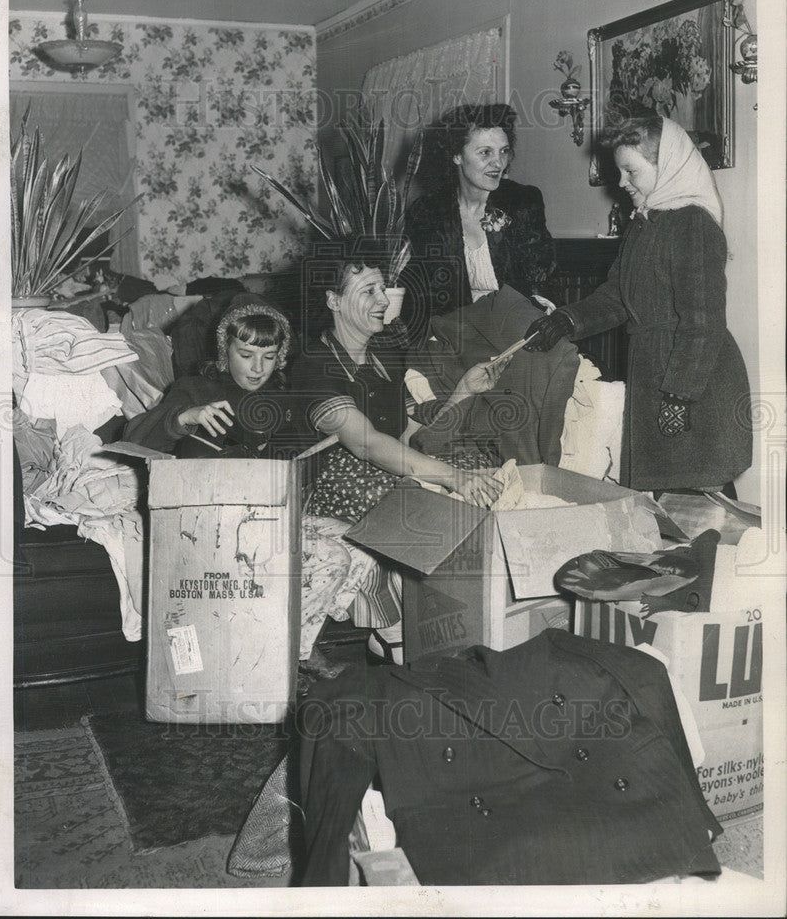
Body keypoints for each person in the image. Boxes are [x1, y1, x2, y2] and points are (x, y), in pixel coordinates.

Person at [289, 245, 508, 663]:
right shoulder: (312, 367)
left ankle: (457, 616)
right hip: (323, 486)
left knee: (474, 464)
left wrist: (464, 390)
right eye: (368, 291)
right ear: (334, 301)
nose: (384, 301)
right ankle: (391, 627)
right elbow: (367, 443)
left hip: (379, 466)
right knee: (428, 489)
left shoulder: (382, 360)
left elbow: (412, 438)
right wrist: (448, 477)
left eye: (383, 290)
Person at [522, 113, 752, 494]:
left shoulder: (692, 224)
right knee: (666, 495)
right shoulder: (645, 223)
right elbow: (617, 297)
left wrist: (679, 394)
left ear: (668, 167)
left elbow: (702, 324)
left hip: (692, 379)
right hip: (655, 372)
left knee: (697, 491)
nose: (622, 182)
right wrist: (567, 320)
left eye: (631, 171)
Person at [403, 102, 555, 340]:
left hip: (516, 331)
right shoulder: (428, 212)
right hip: (453, 335)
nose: (498, 163)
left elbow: (538, 279)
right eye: (485, 152)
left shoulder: (522, 202)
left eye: (504, 151)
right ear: (456, 155)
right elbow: (422, 294)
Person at [123, 299, 303, 458]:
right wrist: (184, 417)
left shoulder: (286, 397)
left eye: (269, 357)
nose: (258, 368)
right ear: (225, 351)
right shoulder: (196, 390)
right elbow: (133, 441)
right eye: (246, 356)